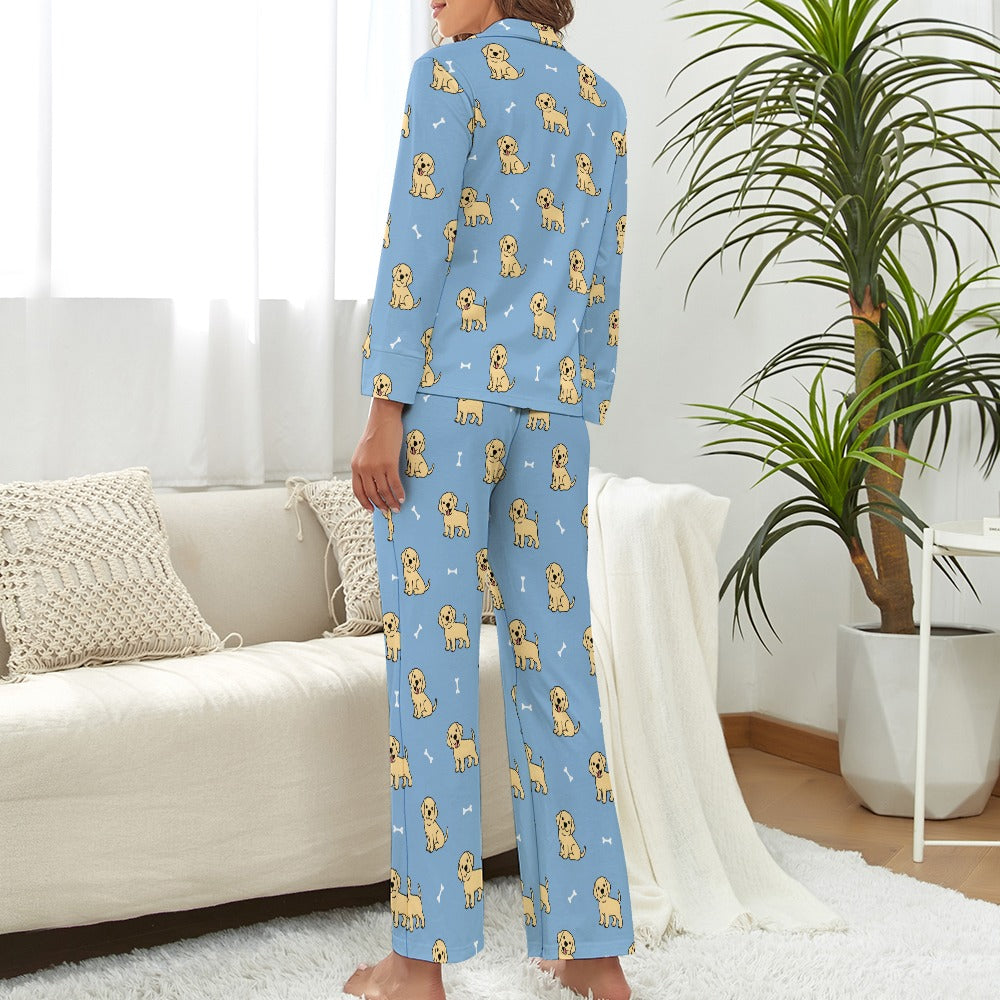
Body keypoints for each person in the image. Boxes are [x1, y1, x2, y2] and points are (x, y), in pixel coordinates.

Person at [347, 2, 631, 998]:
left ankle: (415, 965)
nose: (430, 3)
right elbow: (602, 276)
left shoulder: (449, 76)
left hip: (447, 411)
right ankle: (592, 954)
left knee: (431, 671)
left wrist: (384, 407)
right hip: (554, 415)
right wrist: (578, 395)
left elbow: (414, 249)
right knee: (560, 672)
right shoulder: (602, 101)